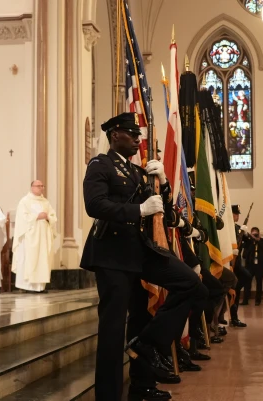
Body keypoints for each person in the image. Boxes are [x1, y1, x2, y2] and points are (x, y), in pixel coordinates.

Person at [80, 112, 206, 401]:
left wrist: (162, 181)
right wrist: (138, 210)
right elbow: (95, 205)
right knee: (113, 331)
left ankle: (147, 348)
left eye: (139, 134)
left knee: (190, 284)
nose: (139, 139)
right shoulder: (100, 165)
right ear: (115, 136)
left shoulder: (138, 172)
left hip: (140, 250)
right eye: (132, 134)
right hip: (112, 254)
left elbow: (165, 211)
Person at [12, 180, 57, 293]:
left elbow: (52, 216)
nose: (41, 188)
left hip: (43, 236)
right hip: (30, 236)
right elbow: (22, 218)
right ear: (32, 187)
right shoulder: (25, 201)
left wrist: (48, 217)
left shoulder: (45, 202)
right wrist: (37, 216)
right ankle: (27, 286)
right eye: (38, 186)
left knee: (42, 259)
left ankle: (40, 287)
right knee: (29, 259)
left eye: (42, 186)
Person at [240, 226, 263, 305]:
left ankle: (258, 300)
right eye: (253, 234)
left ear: (259, 233)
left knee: (259, 282)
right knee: (247, 282)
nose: (255, 235)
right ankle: (245, 300)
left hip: (260, 265)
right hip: (250, 265)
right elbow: (244, 254)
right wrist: (250, 239)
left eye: (256, 234)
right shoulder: (248, 242)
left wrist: (258, 240)